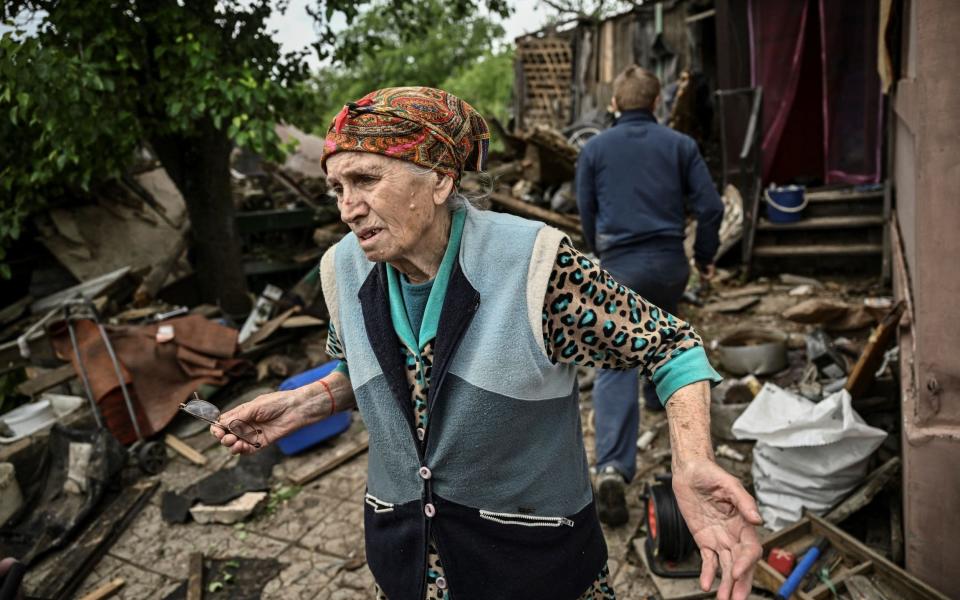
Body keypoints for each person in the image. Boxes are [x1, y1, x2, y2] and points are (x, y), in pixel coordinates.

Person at [212, 87, 760, 600]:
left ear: (440, 180)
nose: (347, 208)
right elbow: (375, 369)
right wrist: (303, 402)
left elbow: (669, 345)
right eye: (338, 188)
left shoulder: (536, 266)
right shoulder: (342, 269)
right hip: (407, 560)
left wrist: (692, 461)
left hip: (537, 566)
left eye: (367, 180)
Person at [575, 66, 725, 527]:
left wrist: (601, 253)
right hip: (668, 267)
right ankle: (664, 402)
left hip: (620, 265)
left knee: (616, 358)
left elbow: (585, 209)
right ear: (658, 103)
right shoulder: (680, 145)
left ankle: (614, 469)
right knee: (664, 335)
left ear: (615, 105)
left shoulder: (594, 149)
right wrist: (703, 256)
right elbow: (711, 206)